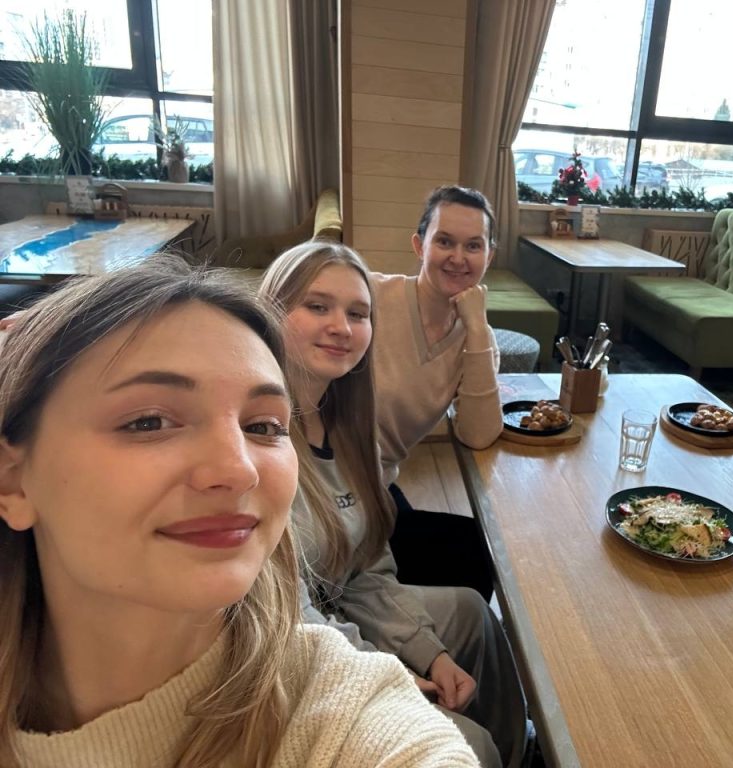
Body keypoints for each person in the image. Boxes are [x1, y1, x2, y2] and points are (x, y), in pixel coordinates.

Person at [0, 260, 477, 767]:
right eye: (148, 421)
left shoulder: (344, 713)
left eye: (265, 427)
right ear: (12, 481)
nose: (238, 469)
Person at [258, 241, 526, 768]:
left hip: (336, 604)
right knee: (471, 746)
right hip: (285, 652)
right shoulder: (257, 444)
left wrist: (429, 651)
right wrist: (387, 670)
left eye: (358, 314)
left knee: (471, 612)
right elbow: (290, 619)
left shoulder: (346, 423)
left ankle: (521, 754)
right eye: (317, 306)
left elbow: (366, 570)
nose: (341, 326)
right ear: (271, 311)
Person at [371, 185, 503, 599]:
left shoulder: (478, 340)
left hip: (377, 482)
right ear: (419, 245)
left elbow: (478, 434)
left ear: (489, 256)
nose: (458, 258)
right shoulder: (371, 297)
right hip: (328, 483)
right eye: (444, 241)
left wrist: (476, 328)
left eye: (473, 246)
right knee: (472, 554)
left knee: (477, 550)